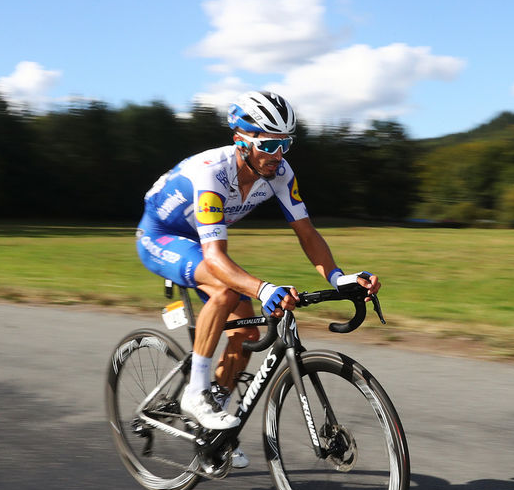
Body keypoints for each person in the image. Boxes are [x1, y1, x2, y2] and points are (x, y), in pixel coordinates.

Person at [135, 91, 380, 468]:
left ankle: (213, 430)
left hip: (200, 244)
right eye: (270, 144)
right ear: (241, 141)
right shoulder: (211, 172)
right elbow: (215, 257)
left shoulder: (279, 172)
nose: (279, 155)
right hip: (161, 236)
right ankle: (195, 395)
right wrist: (264, 288)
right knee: (225, 290)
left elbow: (307, 232)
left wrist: (339, 277)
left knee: (248, 336)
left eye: (286, 143)